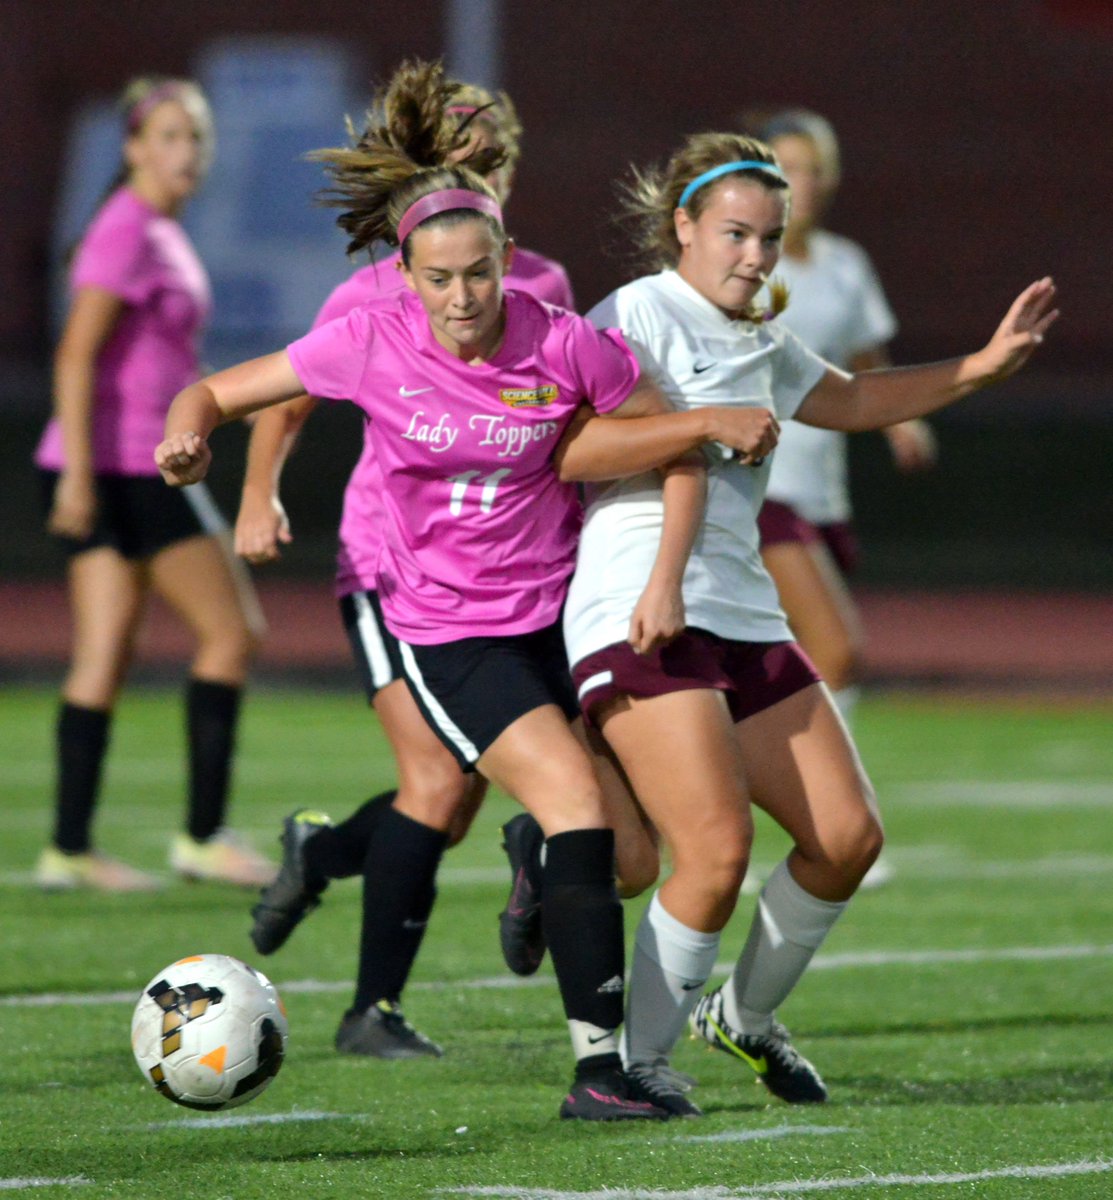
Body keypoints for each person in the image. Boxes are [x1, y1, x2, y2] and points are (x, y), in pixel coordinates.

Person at [153, 59, 777, 1121]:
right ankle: (598, 1072)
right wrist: (191, 442)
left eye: (478, 275)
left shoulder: (562, 335)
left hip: (558, 616)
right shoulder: (368, 336)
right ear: (404, 274)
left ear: (504, 257)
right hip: (445, 625)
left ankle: (539, 882)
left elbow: (669, 442)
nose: (460, 298)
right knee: (541, 802)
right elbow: (216, 390)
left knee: (627, 857)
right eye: (438, 279)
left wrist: (678, 529)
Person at [553, 133, 1054, 1116]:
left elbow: (857, 398)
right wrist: (704, 424)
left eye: (769, 238)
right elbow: (571, 449)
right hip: (639, 603)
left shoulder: (761, 337)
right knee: (713, 851)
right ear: (684, 226)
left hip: (741, 610)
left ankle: (742, 1017)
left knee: (847, 837)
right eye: (734, 233)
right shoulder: (634, 313)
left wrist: (984, 367)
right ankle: (632, 1069)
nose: (754, 256)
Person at [234, 70, 578, 1060]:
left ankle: (324, 849)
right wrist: (259, 494)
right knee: (433, 782)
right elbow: (287, 395)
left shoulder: (542, 285)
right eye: (455, 157)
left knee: (456, 801)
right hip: (392, 568)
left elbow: (575, 416)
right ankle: (368, 1012)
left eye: (490, 157)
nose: (475, 173)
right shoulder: (380, 286)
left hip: (511, 579)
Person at [32, 76, 273, 893]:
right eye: (168, 135)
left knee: (105, 653)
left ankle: (68, 849)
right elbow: (75, 353)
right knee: (232, 632)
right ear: (133, 147)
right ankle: (202, 837)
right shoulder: (127, 228)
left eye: (196, 136)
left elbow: (157, 356)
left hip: (121, 462)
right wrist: (78, 476)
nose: (186, 151)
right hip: (131, 466)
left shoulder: (155, 228)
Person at [752, 113, 936, 888]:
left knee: (769, 667)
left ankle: (796, 817)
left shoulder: (843, 263)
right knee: (835, 650)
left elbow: (862, 360)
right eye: (785, 167)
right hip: (760, 487)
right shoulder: (744, 261)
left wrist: (902, 420)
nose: (801, 182)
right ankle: (833, 820)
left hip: (823, 488)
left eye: (812, 168)